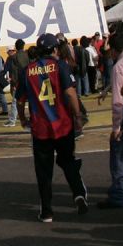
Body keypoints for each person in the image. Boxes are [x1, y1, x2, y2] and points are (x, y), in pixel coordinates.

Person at [16, 33, 88, 223]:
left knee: (43, 171)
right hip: (63, 125)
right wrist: (78, 117)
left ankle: (47, 211)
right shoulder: (60, 66)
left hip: (40, 129)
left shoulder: (27, 70)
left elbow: (19, 100)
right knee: (68, 161)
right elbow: (71, 94)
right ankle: (78, 194)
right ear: (55, 49)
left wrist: (23, 119)